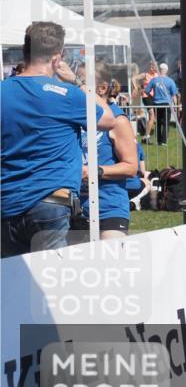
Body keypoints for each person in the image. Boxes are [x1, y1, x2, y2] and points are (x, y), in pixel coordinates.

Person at [1, 22, 116, 257]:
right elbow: (108, 119)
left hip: (7, 201)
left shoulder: (3, 91)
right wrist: (77, 81)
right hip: (51, 201)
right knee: (51, 283)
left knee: (11, 287)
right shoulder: (67, 95)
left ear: (25, 51)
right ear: (58, 57)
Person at [80, 62, 139, 239]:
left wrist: (95, 171)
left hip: (109, 207)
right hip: (75, 207)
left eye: (81, 82)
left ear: (102, 88)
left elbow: (131, 167)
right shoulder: (75, 116)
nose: (75, 88)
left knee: (110, 264)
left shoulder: (117, 120)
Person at [144, 62, 179, 145]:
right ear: (166, 71)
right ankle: (164, 141)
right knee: (166, 122)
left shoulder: (154, 80)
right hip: (167, 104)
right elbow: (174, 95)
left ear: (159, 70)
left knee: (158, 122)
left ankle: (159, 140)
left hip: (156, 103)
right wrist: (175, 106)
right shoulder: (170, 81)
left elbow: (146, 91)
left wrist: (152, 99)